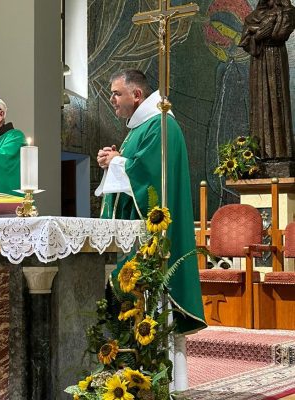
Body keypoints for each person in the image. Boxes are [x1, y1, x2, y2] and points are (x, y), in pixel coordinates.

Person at [95, 70, 205, 334]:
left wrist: (117, 162)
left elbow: (149, 175)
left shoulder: (161, 124)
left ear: (136, 94)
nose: (111, 99)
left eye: (116, 93)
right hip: (132, 234)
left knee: (146, 305)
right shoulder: (140, 126)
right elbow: (136, 166)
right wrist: (115, 160)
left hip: (150, 236)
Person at [239, 0, 295, 160]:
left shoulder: (286, 12)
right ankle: (260, 152)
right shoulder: (254, 16)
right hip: (259, 61)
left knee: (277, 99)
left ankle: (281, 152)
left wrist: (258, 33)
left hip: (275, 58)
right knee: (260, 101)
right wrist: (259, 34)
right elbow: (245, 40)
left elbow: (280, 34)